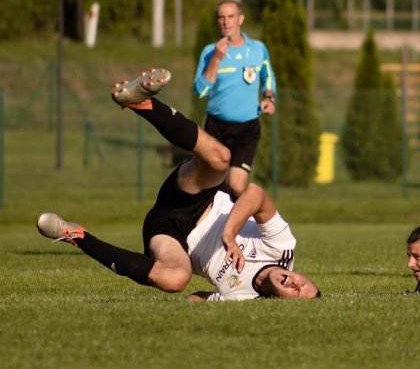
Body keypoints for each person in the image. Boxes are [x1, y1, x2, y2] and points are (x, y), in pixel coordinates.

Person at [37, 68, 319, 301]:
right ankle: (141, 102)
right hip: (198, 197)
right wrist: (229, 234)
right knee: (221, 158)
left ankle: (74, 235)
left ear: (281, 303)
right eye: (303, 284)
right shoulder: (283, 249)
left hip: (171, 235)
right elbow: (256, 194)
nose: (295, 284)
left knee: (174, 279)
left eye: (296, 294)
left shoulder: (243, 299)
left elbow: (195, 299)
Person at [195, 0, 276, 199]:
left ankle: (254, 219)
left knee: (237, 185)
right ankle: (220, 227)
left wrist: (268, 97)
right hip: (216, 128)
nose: (226, 22)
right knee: (214, 188)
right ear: (217, 22)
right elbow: (201, 91)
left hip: (247, 128)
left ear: (240, 19)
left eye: (231, 16)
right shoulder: (210, 52)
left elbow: (268, 76)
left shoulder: (257, 49)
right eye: (221, 17)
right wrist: (216, 59)